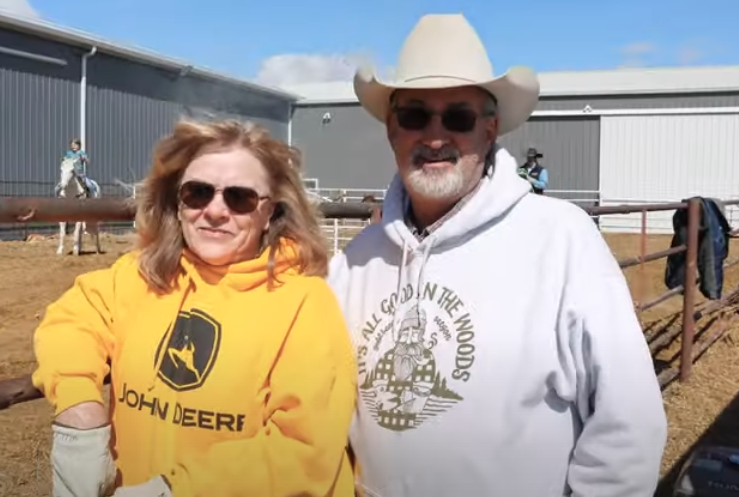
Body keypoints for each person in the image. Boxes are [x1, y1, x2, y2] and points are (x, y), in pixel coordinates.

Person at [327, 13, 667, 497]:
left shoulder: (561, 239)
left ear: (489, 131)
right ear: (391, 129)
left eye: (459, 117)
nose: (435, 136)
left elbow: (627, 422)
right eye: (415, 115)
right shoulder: (357, 261)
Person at [32, 119, 357, 497]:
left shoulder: (305, 305)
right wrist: (80, 410)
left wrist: (174, 491)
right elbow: (71, 320)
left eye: (240, 198)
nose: (215, 211)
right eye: (198, 192)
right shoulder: (142, 276)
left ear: (271, 211)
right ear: (177, 200)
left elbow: (304, 449)